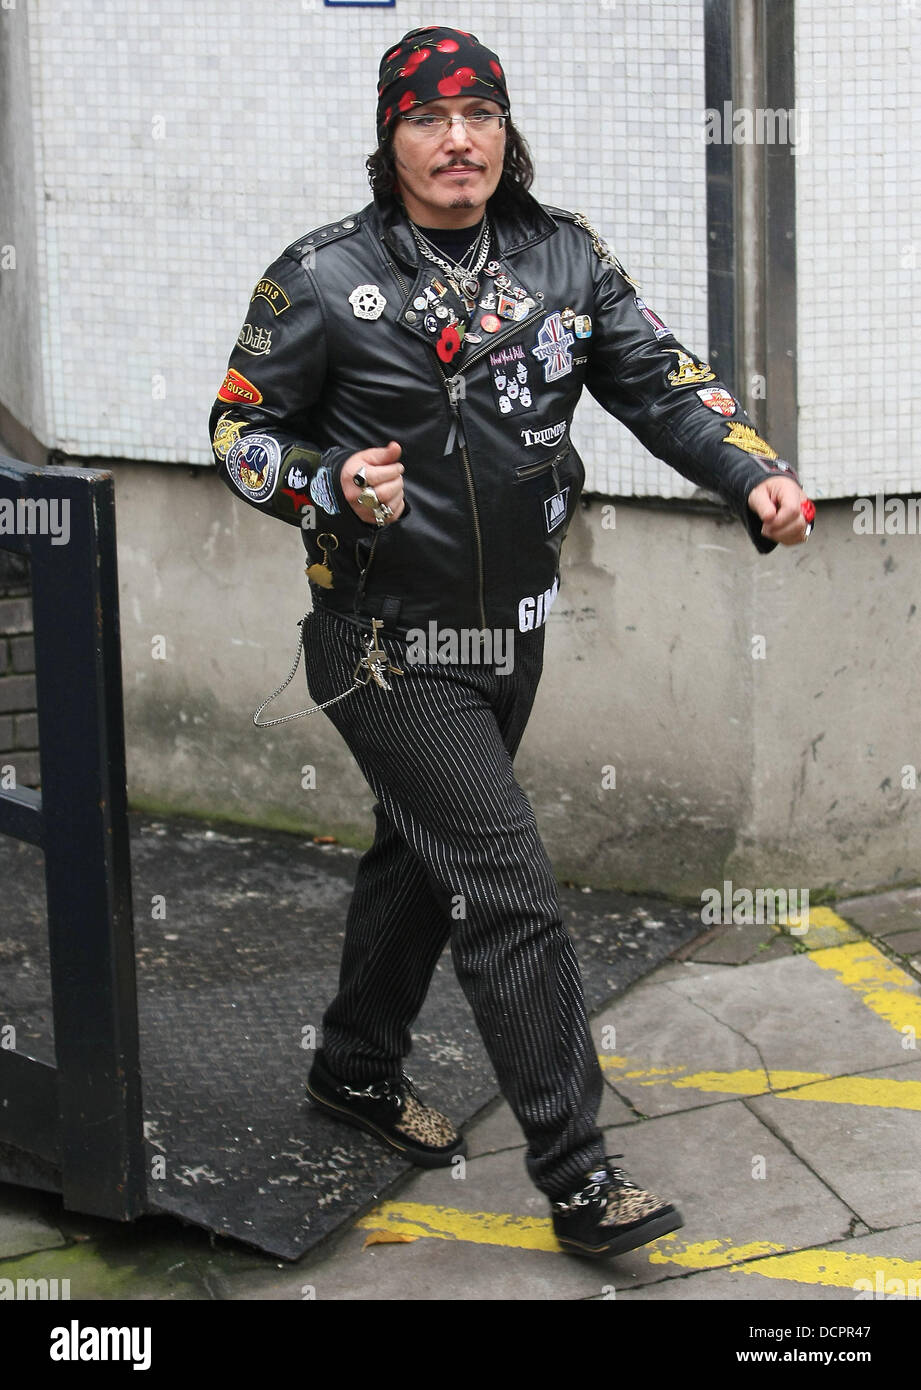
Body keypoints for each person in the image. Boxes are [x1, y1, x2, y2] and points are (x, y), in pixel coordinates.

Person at [208, 25, 813, 1260]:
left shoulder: (563, 255)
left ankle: (356, 1069)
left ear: (505, 129)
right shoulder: (319, 277)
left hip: (511, 638)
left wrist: (750, 472)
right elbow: (236, 431)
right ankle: (581, 1178)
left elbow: (661, 380)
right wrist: (325, 483)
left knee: (424, 858)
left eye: (478, 113)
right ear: (391, 139)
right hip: (384, 645)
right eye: (428, 119)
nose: (458, 139)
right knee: (509, 885)